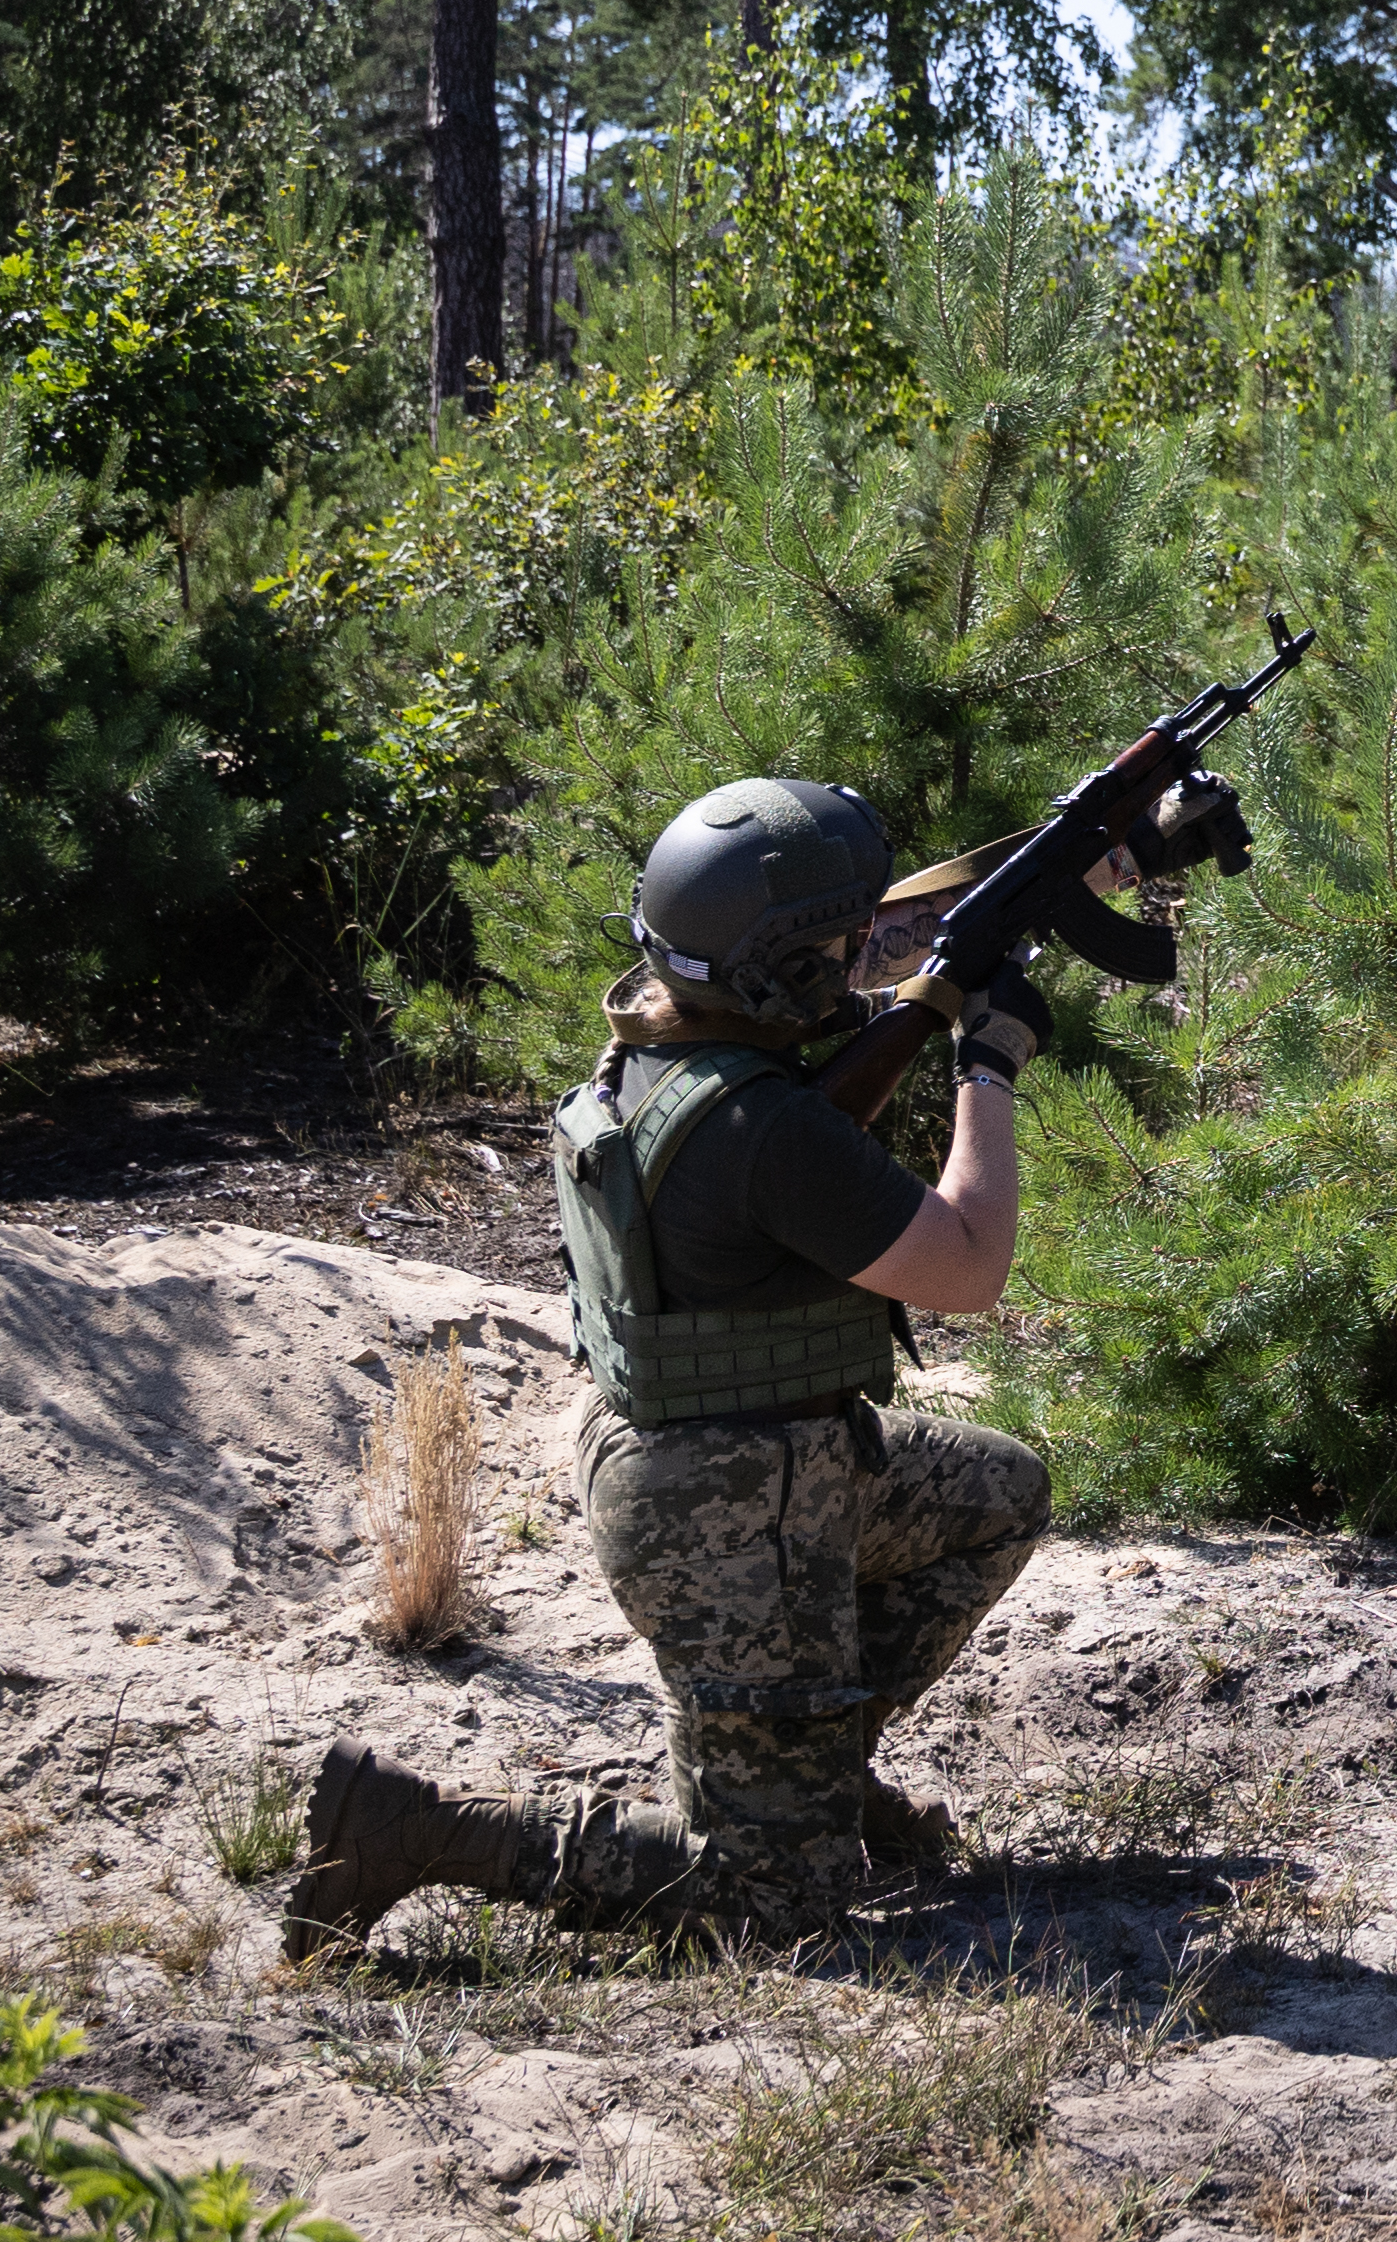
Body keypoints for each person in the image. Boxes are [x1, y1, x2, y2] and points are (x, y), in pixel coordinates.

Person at [280, 777, 1063, 1960]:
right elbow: (965, 1268)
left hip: (705, 1463)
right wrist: (986, 1065)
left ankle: (805, 1765)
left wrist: (961, 956)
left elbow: (813, 1104)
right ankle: (417, 1830)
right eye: (842, 947)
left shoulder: (657, 1038)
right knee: (771, 1910)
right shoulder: (769, 1133)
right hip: (735, 1520)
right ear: (784, 975)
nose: (865, 958)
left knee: (997, 1495)